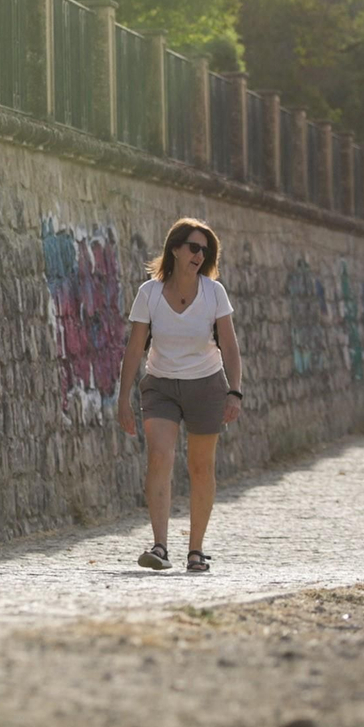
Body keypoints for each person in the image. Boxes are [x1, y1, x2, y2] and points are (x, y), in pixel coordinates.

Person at [115, 218, 243, 573]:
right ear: (175, 249)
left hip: (207, 384)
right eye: (193, 247)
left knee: (201, 467)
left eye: (205, 250)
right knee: (159, 455)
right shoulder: (150, 293)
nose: (199, 255)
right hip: (161, 385)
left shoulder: (214, 293)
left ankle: (196, 550)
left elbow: (229, 347)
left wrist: (235, 391)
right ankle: (160, 546)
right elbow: (135, 347)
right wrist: (123, 398)